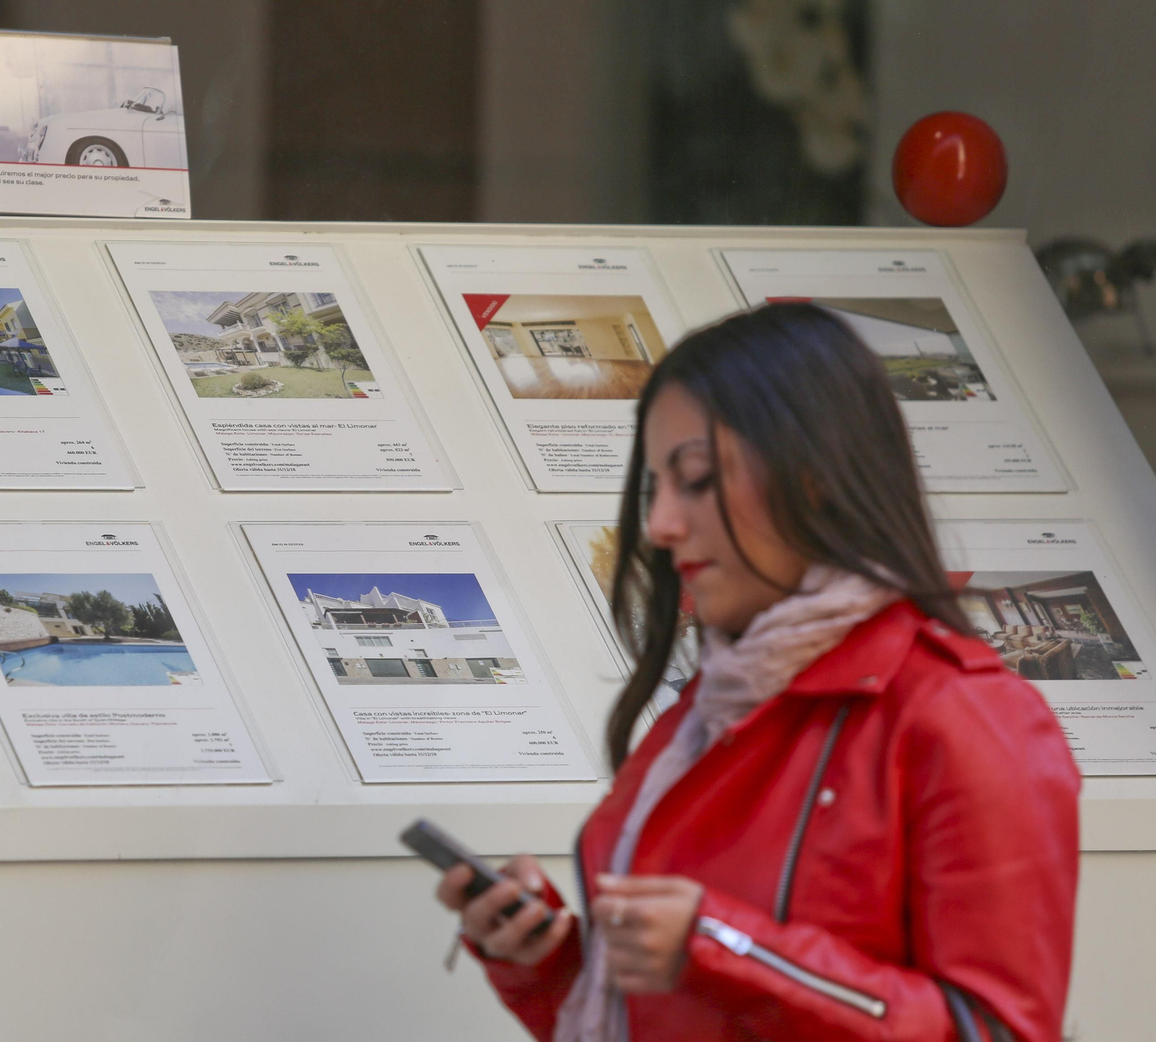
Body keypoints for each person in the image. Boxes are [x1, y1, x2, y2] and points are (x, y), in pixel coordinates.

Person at [434, 303, 1079, 1042]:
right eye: (656, 488)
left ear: (814, 480)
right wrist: (548, 962)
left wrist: (722, 945)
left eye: (698, 480)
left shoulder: (963, 716)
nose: (661, 526)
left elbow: (996, 1031)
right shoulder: (710, 710)